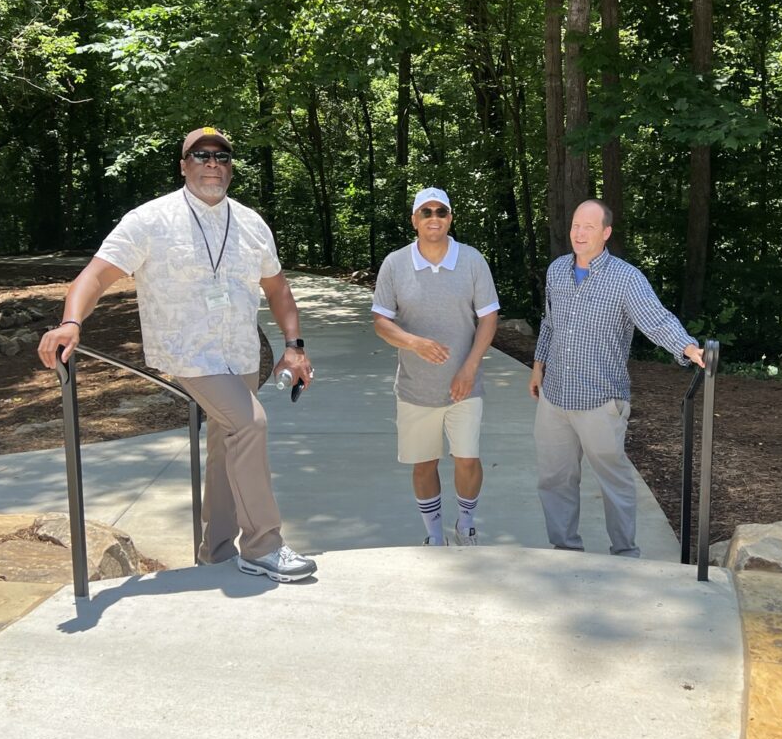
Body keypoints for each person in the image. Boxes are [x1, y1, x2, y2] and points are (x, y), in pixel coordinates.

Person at [36, 127, 318, 582]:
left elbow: (277, 288)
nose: (212, 163)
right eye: (200, 155)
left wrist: (293, 347)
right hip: (189, 354)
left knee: (228, 449)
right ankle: (264, 546)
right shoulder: (150, 220)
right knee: (250, 424)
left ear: (230, 166)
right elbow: (95, 276)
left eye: (222, 156)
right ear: (183, 164)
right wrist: (71, 321)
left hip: (241, 354)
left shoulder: (251, 223)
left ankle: (217, 552)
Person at [529, 199, 705, 558]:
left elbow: (656, 319)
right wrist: (538, 364)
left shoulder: (626, 279)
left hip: (600, 399)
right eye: (576, 225)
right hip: (555, 397)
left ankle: (625, 556)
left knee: (614, 482)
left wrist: (688, 348)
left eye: (589, 227)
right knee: (554, 479)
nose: (579, 233)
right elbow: (549, 322)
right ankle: (564, 551)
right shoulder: (557, 270)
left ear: (605, 233)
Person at [372, 188, 500, 546]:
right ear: (414, 220)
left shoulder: (472, 261)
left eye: (440, 212)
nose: (433, 218)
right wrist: (414, 343)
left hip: (465, 386)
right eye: (425, 212)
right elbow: (381, 322)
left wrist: (469, 367)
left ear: (450, 218)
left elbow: (489, 319)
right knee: (424, 463)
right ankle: (433, 535)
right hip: (415, 388)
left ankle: (466, 524)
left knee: (467, 459)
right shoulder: (395, 264)